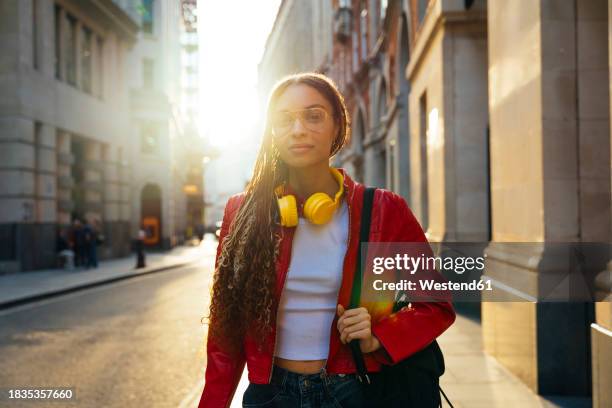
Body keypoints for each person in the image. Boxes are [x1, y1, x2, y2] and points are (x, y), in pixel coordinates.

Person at [198, 73, 456, 408]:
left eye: (314, 115)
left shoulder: (384, 210)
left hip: (353, 391)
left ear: (338, 126)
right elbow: (225, 332)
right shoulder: (243, 213)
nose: (298, 129)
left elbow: (435, 305)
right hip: (270, 395)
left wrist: (379, 335)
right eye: (284, 119)